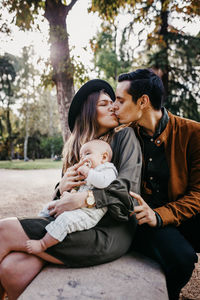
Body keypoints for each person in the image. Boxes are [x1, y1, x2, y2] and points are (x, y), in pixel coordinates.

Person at [0, 79, 142, 299]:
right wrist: (61, 189)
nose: (113, 107)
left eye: (113, 103)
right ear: (88, 111)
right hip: (70, 228)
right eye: (104, 104)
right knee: (12, 268)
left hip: (108, 232)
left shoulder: (124, 138)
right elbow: (62, 202)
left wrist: (88, 199)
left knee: (4, 230)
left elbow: (128, 193)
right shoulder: (79, 149)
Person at [114, 68, 200, 300]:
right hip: (145, 221)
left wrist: (160, 215)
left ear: (142, 101)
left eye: (120, 100)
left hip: (179, 212)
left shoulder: (193, 133)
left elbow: (198, 194)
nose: (114, 106)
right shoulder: (124, 136)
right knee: (182, 259)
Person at [26, 139, 118, 254]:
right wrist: (69, 194)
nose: (83, 158)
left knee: (66, 220)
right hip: (78, 207)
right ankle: (36, 224)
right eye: (81, 156)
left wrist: (88, 173)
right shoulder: (90, 171)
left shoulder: (108, 169)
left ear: (104, 157)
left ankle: (43, 244)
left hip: (89, 213)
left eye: (88, 154)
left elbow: (103, 183)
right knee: (49, 206)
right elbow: (80, 190)